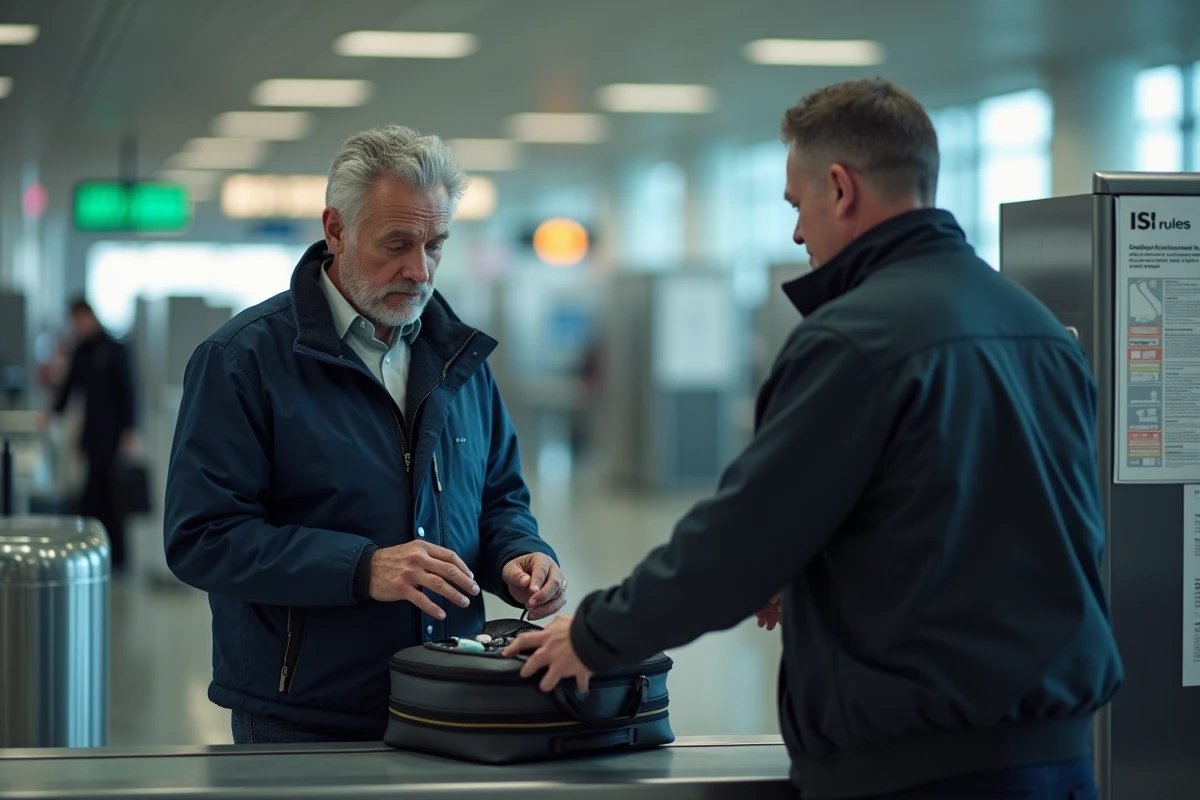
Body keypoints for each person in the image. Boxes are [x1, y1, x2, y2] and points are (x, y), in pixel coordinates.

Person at [505, 79, 1122, 800]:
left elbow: (735, 542)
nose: (797, 234)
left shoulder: (856, 339)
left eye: (797, 206)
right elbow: (981, 515)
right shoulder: (1039, 329)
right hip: (1062, 758)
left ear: (840, 187)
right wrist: (808, 562)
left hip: (918, 769)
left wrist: (594, 637)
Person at [164, 125, 568, 744]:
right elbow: (204, 536)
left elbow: (498, 501)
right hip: (304, 715)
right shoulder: (243, 360)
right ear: (335, 229)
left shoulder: (461, 361)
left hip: (451, 694)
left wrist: (519, 556)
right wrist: (362, 568)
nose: (420, 268)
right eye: (398, 243)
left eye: (437, 243)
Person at [46, 299, 135, 570]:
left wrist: (130, 430)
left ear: (90, 316)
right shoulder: (82, 349)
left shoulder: (114, 348)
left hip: (112, 432)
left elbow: (129, 392)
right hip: (90, 433)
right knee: (90, 494)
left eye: (80, 319)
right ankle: (91, 550)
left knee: (112, 495)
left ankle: (117, 557)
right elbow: (70, 386)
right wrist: (53, 412)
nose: (78, 325)